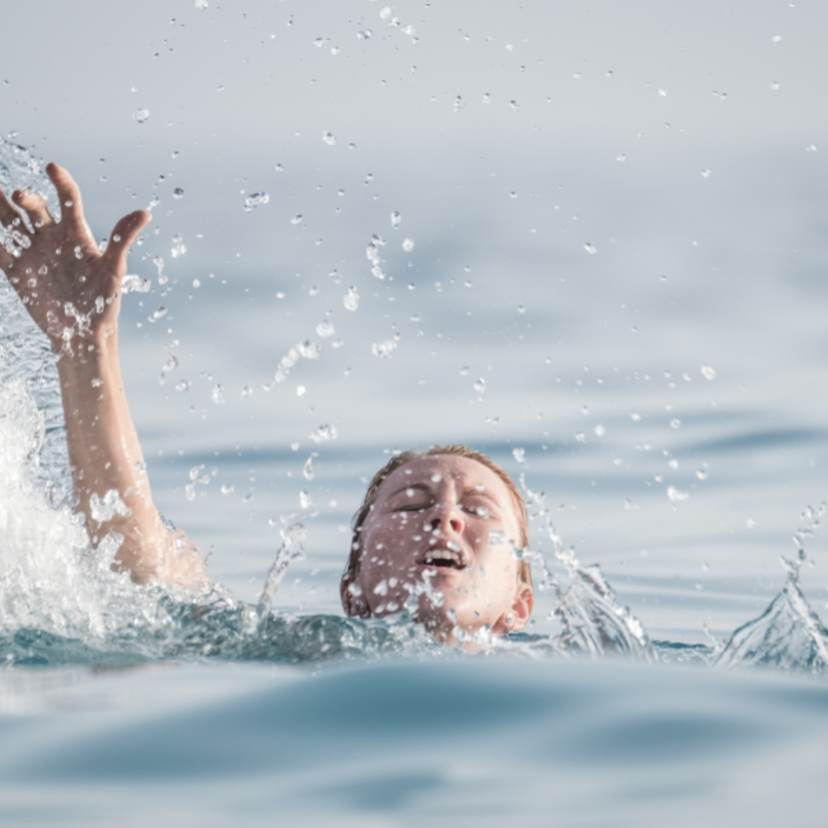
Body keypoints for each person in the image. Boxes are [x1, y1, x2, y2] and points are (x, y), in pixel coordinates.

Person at [0, 163, 534, 646]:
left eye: (478, 509)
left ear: (521, 603)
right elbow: (145, 576)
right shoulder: (304, 652)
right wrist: (84, 346)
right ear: (353, 594)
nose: (445, 516)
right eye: (412, 505)